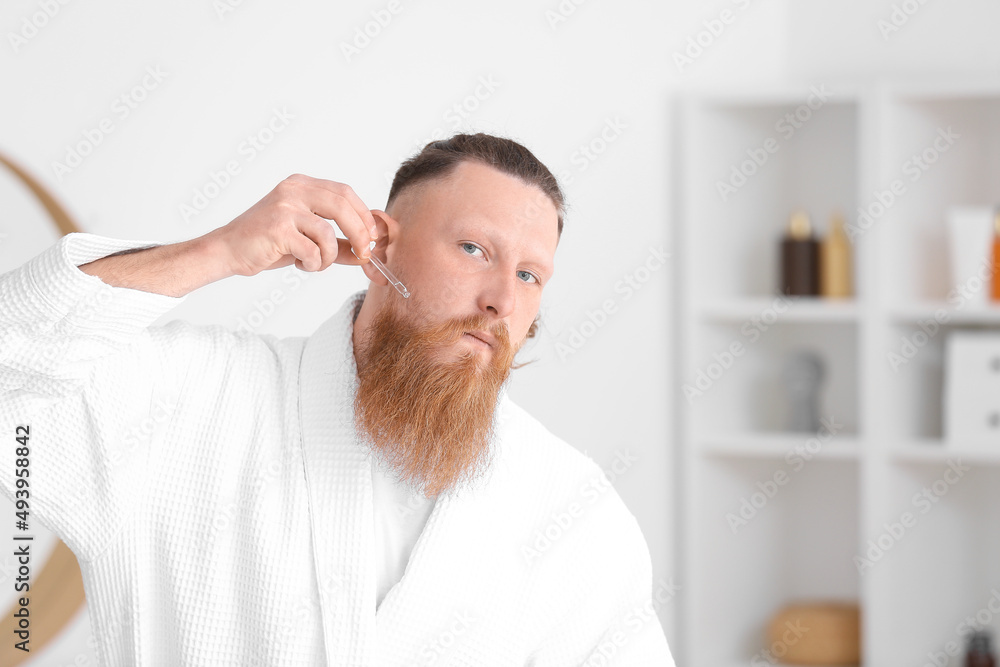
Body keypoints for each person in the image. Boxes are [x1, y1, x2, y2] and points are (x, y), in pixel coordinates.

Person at [0, 133, 675, 665]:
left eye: (530, 275)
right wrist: (217, 250)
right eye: (474, 248)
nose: (503, 299)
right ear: (378, 245)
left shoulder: (569, 506)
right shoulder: (191, 401)